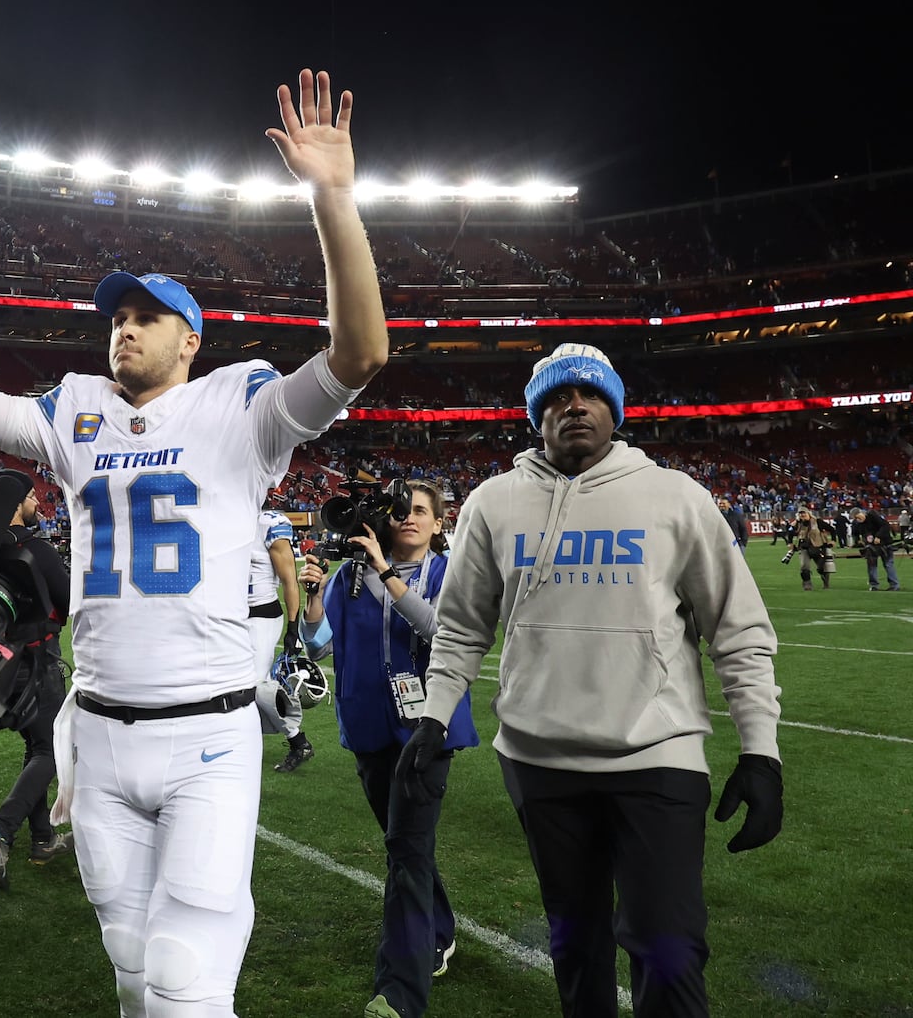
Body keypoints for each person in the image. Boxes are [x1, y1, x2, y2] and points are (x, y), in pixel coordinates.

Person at [0, 68, 389, 1015]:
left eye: (147, 316)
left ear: (192, 338)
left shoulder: (242, 406)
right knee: (128, 967)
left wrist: (333, 198)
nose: (125, 329)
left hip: (208, 727)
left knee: (185, 980)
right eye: (117, 315)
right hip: (100, 733)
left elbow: (359, 353)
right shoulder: (72, 412)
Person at [398, 343, 784, 1018]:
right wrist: (434, 716)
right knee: (575, 945)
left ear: (616, 408)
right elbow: (459, 627)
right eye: (556, 396)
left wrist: (761, 750)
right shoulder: (492, 502)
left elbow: (738, 629)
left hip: (657, 755)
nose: (574, 404)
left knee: (669, 950)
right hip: (538, 759)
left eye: (591, 394)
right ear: (535, 416)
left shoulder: (676, 497)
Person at [298, 482, 478, 1018]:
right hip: (368, 726)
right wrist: (312, 596)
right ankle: (440, 931)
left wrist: (386, 572)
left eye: (421, 511)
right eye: (402, 511)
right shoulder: (349, 576)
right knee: (407, 846)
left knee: (406, 850)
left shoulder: (448, 573)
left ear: (439, 524)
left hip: (427, 727)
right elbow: (318, 643)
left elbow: (443, 633)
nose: (409, 519)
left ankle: (399, 991)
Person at [0, 467, 76, 890]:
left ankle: (43, 839)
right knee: (54, 750)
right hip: (37, 662)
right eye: (32, 497)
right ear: (16, 502)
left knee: (37, 746)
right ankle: (3, 829)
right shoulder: (37, 550)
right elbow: (68, 601)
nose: (38, 504)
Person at [250, 501, 311, 771]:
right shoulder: (225, 518)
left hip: (260, 615)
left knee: (255, 686)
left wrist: (293, 626)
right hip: (229, 616)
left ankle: (298, 741)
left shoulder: (268, 523)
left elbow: (289, 579)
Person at [782, 508, 835, 590]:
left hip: (819, 547)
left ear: (808, 513)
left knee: (822, 567)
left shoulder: (818, 522)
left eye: (804, 513)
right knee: (804, 566)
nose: (802, 515)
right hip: (804, 547)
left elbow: (832, 529)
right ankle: (807, 584)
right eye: (800, 514)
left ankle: (825, 582)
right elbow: (790, 532)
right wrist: (790, 543)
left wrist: (833, 540)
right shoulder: (796, 523)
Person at [852, 506, 901, 590]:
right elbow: (855, 533)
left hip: (885, 544)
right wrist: (858, 541)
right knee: (871, 566)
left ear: (861, 513)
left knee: (888, 565)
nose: (857, 519)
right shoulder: (858, 524)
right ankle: (874, 585)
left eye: (857, 517)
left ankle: (894, 585)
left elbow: (885, 525)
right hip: (871, 547)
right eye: (855, 518)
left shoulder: (872, 516)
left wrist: (878, 536)